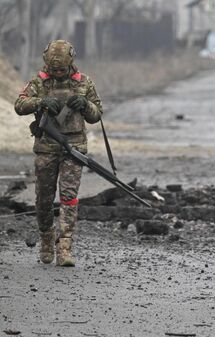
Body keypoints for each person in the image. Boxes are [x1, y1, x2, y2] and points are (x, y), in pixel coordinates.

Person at [14, 40, 103, 267]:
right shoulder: (39, 82)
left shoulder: (83, 82)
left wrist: (84, 104)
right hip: (46, 147)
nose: (58, 73)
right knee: (43, 199)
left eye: (62, 69)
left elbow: (96, 114)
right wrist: (40, 102)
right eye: (54, 69)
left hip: (73, 148)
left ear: (70, 63)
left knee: (69, 197)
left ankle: (65, 246)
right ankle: (46, 238)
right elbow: (19, 104)